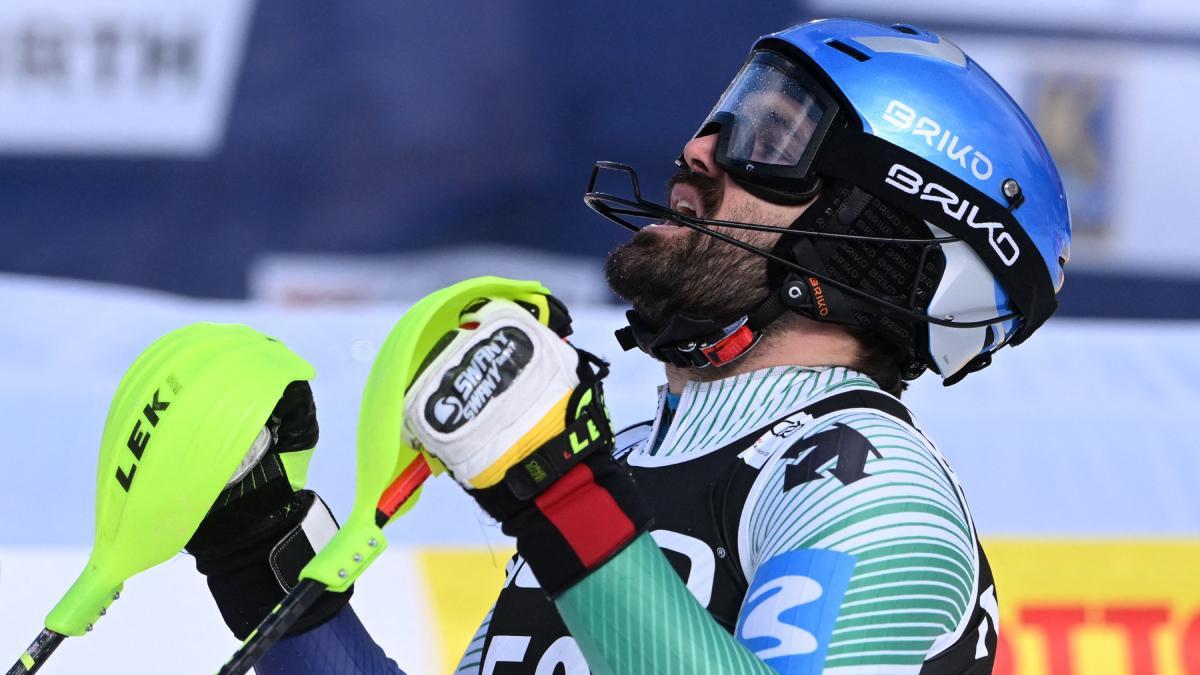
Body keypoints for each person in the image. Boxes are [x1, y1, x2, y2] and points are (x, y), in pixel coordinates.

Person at [186, 18, 1070, 674]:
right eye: (725, 114)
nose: (697, 148)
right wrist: (265, 564)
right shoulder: (623, 464)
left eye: (773, 137)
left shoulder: (878, 491)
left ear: (871, 230)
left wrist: (560, 494)